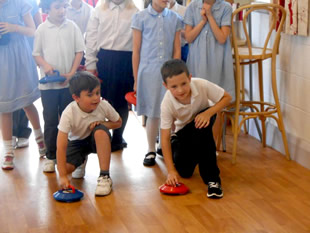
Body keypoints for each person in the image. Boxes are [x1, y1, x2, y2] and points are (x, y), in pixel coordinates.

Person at [160, 59, 232, 198]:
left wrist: (208, 113)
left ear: (190, 78)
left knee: (202, 127)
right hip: (184, 133)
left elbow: (226, 97)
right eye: (174, 87)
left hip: (204, 119)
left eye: (184, 84)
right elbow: (164, 137)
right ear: (166, 86)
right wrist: (171, 171)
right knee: (185, 172)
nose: (180, 90)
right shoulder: (166, 103)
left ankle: (213, 181)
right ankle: (176, 145)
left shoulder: (201, 84)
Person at [33, 0, 85, 173]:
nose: (62, 11)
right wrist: (46, 67)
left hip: (67, 86)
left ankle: (71, 157)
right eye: (57, 7)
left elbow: (79, 51)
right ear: (48, 9)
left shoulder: (72, 27)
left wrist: (71, 73)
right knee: (50, 121)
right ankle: (51, 156)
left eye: (64, 7)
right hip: (48, 88)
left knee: (69, 121)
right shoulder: (41, 29)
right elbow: (36, 54)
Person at [131, 0, 182, 166]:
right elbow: (136, 50)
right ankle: (150, 149)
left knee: (169, 111)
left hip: (169, 72)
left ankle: (163, 146)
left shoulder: (175, 18)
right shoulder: (140, 17)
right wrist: (136, 79)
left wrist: (177, 75)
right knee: (152, 111)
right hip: (148, 71)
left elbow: (177, 50)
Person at [57, 71, 122, 196]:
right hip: (77, 142)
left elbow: (118, 122)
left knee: (100, 132)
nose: (96, 98)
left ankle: (104, 176)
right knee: (63, 169)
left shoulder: (103, 105)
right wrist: (63, 176)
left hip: (96, 140)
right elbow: (61, 146)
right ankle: (80, 161)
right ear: (76, 98)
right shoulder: (69, 112)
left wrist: (103, 123)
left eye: (98, 93)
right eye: (90, 94)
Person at [85, 0, 138, 154]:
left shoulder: (135, 12)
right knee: (101, 99)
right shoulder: (99, 11)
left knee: (121, 102)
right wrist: (90, 63)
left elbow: (138, 42)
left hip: (126, 60)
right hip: (104, 59)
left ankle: (118, 137)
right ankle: (98, 134)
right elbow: (91, 38)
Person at [0, 0, 45, 170]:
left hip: (20, 56)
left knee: (27, 102)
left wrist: (14, 27)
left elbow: (34, 31)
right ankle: (8, 151)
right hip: (1, 59)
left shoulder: (20, 4)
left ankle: (40, 141)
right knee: (4, 106)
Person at [183, 0, 235, 141]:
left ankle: (212, 149)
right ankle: (194, 147)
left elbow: (222, 38)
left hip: (217, 62)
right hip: (197, 60)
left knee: (215, 104)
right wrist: (202, 21)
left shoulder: (225, 8)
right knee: (194, 102)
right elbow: (188, 37)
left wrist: (210, 16)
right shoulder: (192, 7)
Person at [12, 0, 43, 149]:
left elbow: (38, 28)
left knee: (25, 97)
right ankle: (11, 133)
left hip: (26, 52)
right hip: (6, 55)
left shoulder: (28, 3)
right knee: (8, 96)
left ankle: (24, 133)